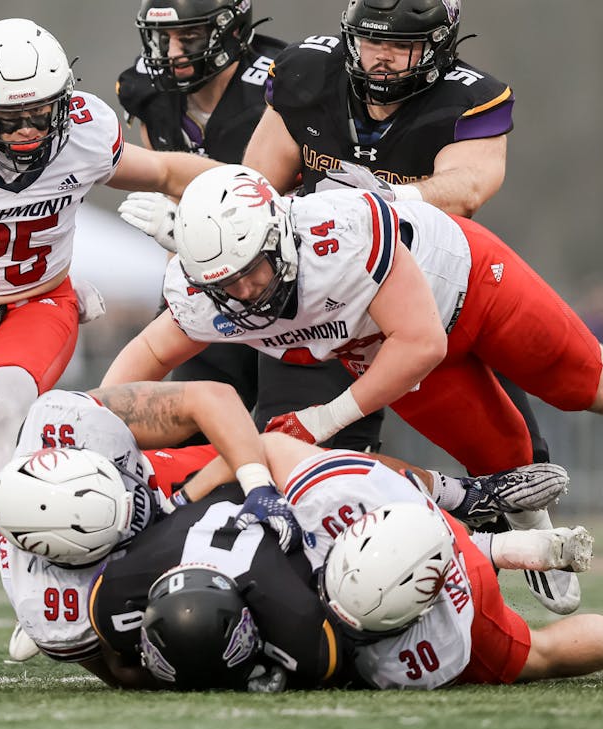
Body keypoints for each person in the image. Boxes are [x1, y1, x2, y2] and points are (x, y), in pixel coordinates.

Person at [118, 0, 569, 611]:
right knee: (289, 454)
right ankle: (147, 545)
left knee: (489, 427)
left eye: (400, 43)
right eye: (369, 44)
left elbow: (464, 191)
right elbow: (251, 184)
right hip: (290, 286)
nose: (380, 62)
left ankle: (511, 514)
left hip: (401, 278)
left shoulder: (458, 97)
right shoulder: (302, 76)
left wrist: (369, 205)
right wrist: (207, 236)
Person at [102, 166, 603, 563]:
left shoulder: (337, 236)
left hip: (467, 290)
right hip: (386, 348)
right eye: (227, 283)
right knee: (505, 462)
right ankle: (537, 541)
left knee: (590, 385)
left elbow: (424, 339)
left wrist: (325, 415)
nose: (246, 292)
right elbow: (148, 357)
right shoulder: (209, 289)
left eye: (251, 270)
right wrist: (99, 427)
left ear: (279, 236)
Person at [0, 18, 218, 661]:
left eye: (43, 111)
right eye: (11, 117)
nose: (30, 128)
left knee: (1, 409)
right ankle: (44, 575)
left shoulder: (84, 135)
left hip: (41, 304)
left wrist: (255, 196)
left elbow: (171, 170)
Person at [0, 380, 586, 679]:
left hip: (188, 494)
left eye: (124, 495)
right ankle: (493, 546)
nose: (135, 507)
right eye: (124, 520)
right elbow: (127, 667)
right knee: (342, 600)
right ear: (74, 557)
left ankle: (467, 498)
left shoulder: (70, 424)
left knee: (303, 463)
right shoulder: (60, 607)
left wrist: (233, 487)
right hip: (182, 573)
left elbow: (211, 400)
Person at [148, 432, 603, 689]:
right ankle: (506, 545)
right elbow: (267, 444)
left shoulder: (436, 646)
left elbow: (339, 666)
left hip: (446, 562)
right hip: (400, 513)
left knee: (537, 656)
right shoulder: (337, 494)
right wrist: (252, 489)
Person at [117, 0, 286, 413]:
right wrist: (182, 244)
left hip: (282, 278)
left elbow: (287, 198)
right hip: (208, 279)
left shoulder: (281, 83)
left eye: (188, 37)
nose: (173, 52)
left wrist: (184, 230)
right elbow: (169, 184)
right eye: (164, 38)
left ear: (229, 29)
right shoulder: (149, 93)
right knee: (189, 418)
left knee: (282, 419)